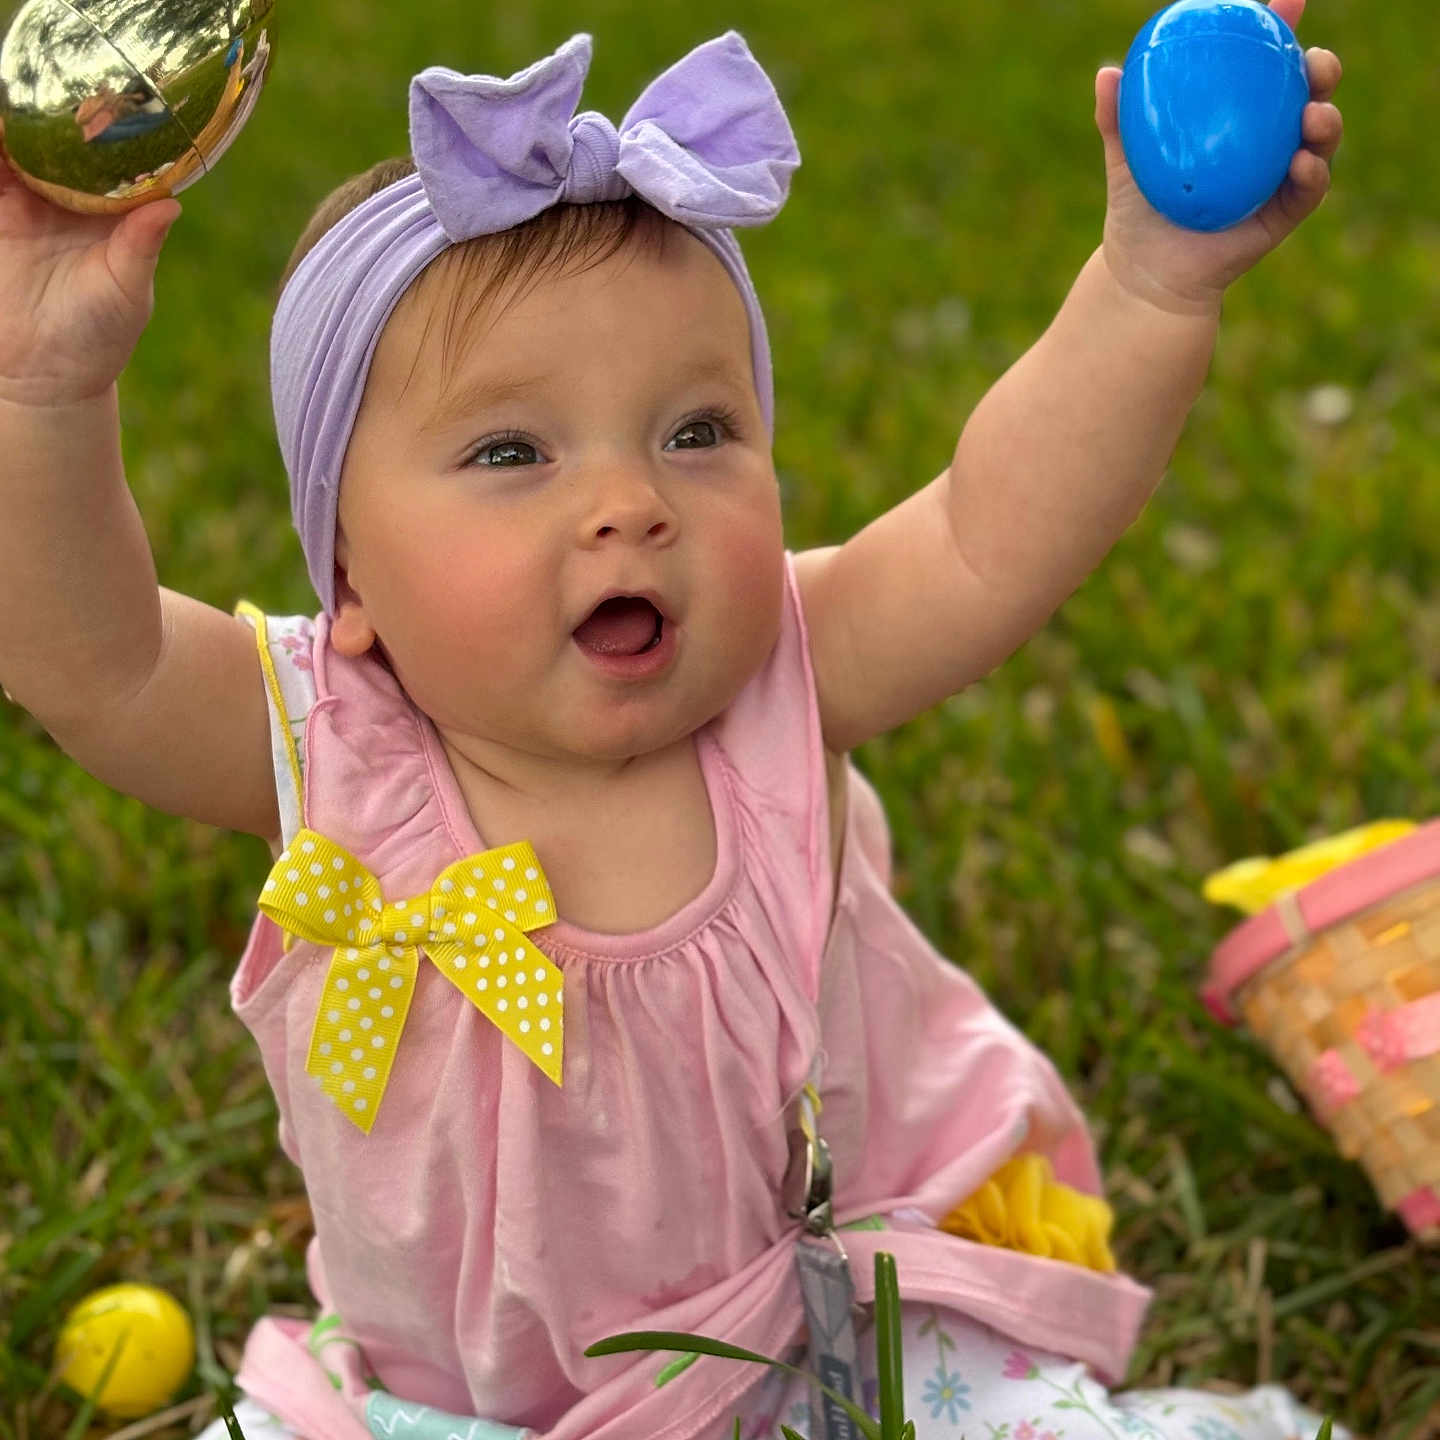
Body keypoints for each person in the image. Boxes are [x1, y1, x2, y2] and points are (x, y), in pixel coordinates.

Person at [0, 11, 1346, 1440]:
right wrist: (41, 394)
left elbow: (989, 532)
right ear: (348, 579)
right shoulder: (328, 746)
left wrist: (1148, 285)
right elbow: (93, 662)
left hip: (819, 1339)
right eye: (513, 452)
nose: (631, 500)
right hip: (447, 1407)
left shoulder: (784, 678)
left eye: (696, 431)